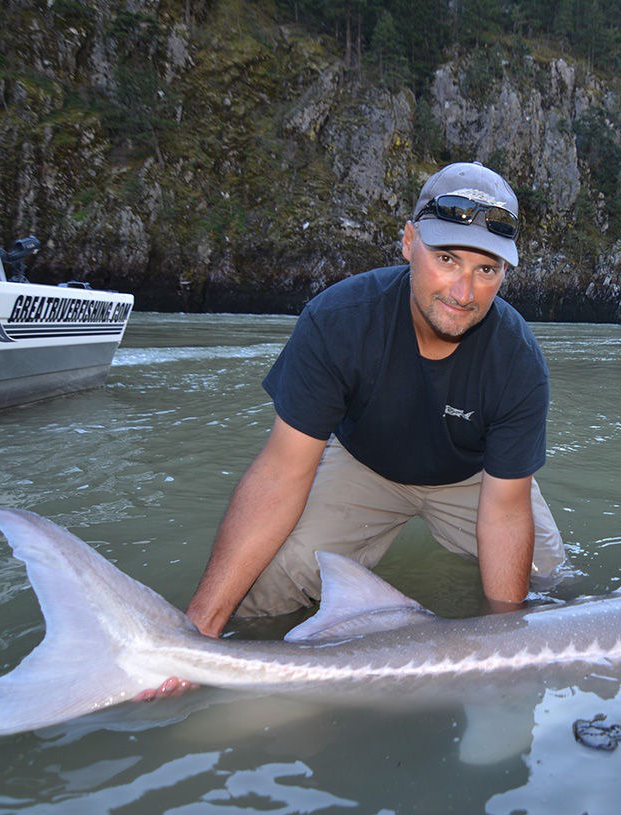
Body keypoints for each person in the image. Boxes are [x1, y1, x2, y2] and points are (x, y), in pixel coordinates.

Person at [187, 160, 567, 641]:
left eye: (486, 269)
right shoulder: (337, 320)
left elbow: (507, 508)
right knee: (273, 587)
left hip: (473, 477)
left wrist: (505, 642)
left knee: (547, 588)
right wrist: (199, 628)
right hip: (364, 463)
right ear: (409, 242)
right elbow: (282, 471)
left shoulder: (519, 361)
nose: (463, 291)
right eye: (446, 258)